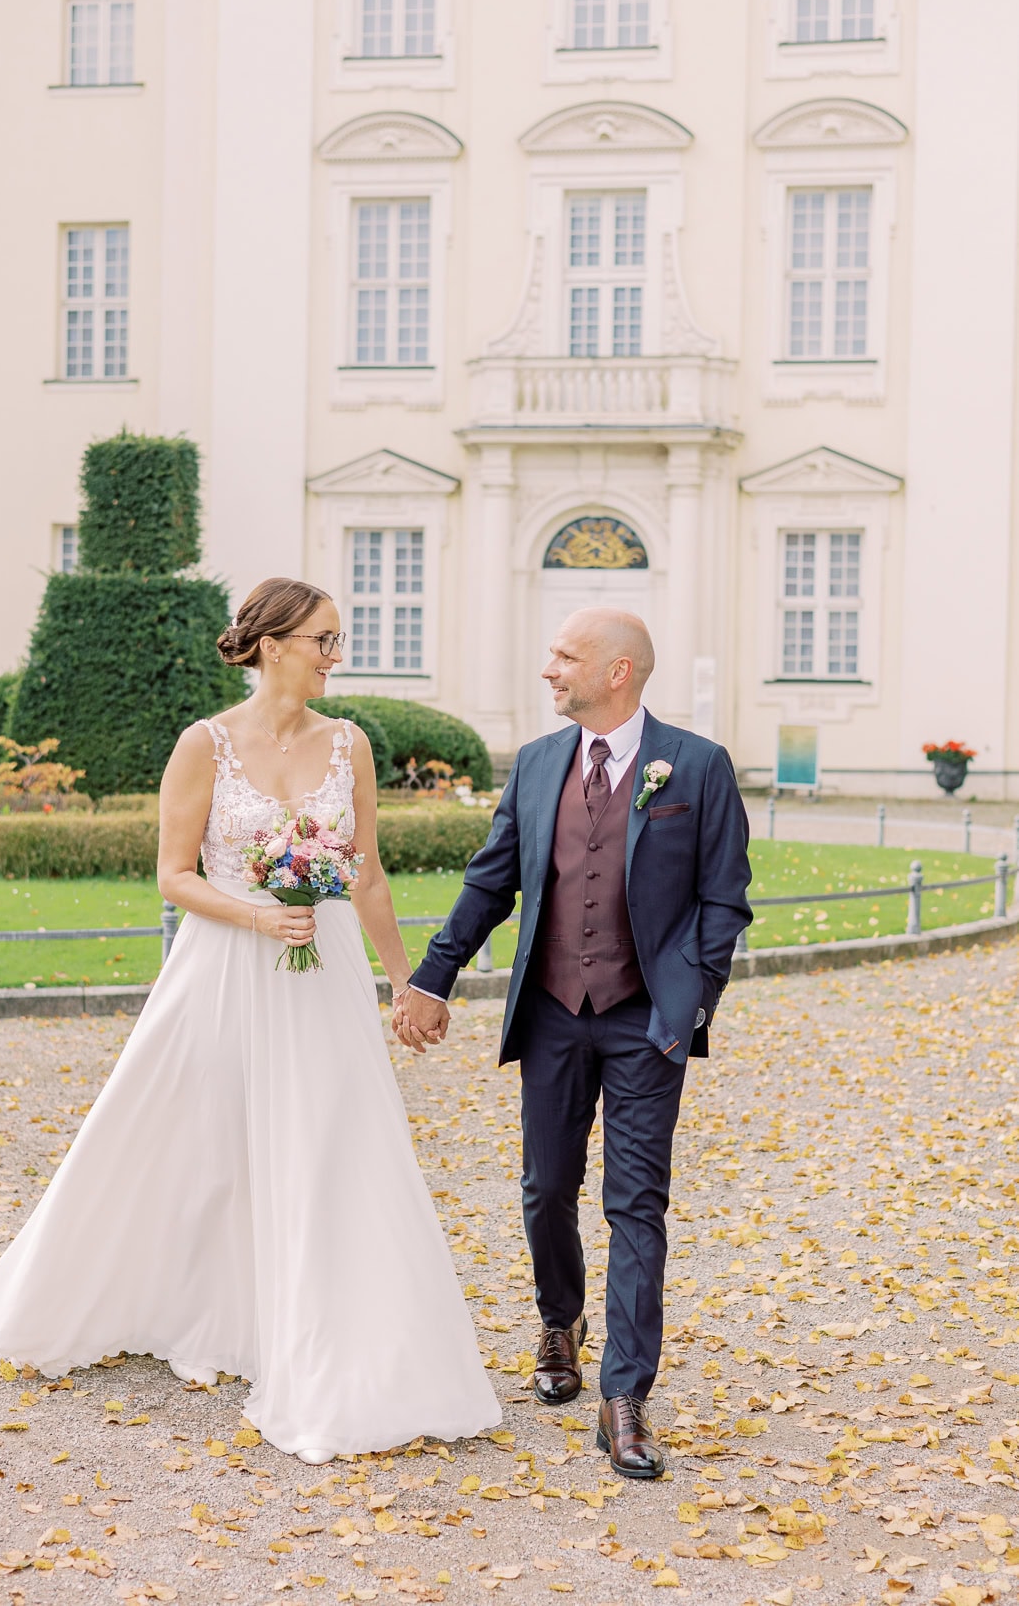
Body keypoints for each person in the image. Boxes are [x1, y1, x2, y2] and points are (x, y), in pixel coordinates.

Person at [0, 577, 499, 1464]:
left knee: (333, 1140)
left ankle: (334, 1334)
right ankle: (149, 1295)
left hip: (322, 975)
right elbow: (174, 875)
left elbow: (364, 874)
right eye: (324, 639)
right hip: (221, 970)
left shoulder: (350, 743)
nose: (337, 655)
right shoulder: (204, 743)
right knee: (185, 1135)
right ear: (273, 643)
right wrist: (256, 914)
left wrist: (407, 982)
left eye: (338, 639)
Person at [394, 610, 751, 1480]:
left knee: (637, 1205)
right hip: (553, 1013)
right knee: (545, 1184)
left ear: (618, 670)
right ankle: (561, 1321)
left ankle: (624, 1398)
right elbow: (492, 881)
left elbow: (725, 899)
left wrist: (687, 1006)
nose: (548, 668)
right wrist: (432, 978)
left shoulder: (696, 767)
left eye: (565, 656)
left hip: (646, 1024)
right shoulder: (539, 763)